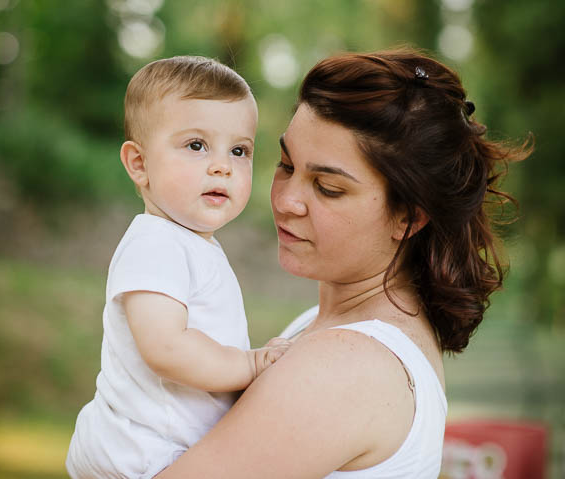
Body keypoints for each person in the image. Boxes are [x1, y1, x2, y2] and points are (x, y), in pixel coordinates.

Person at [154, 49, 531, 478]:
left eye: (328, 187)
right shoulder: (324, 325)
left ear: (408, 216)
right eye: (286, 164)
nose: (286, 200)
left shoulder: (344, 366)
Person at [66, 56, 291, 479]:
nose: (222, 165)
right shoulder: (155, 243)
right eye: (196, 145)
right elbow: (166, 347)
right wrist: (252, 364)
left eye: (239, 150)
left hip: (164, 449)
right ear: (139, 164)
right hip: (142, 455)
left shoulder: (188, 244)